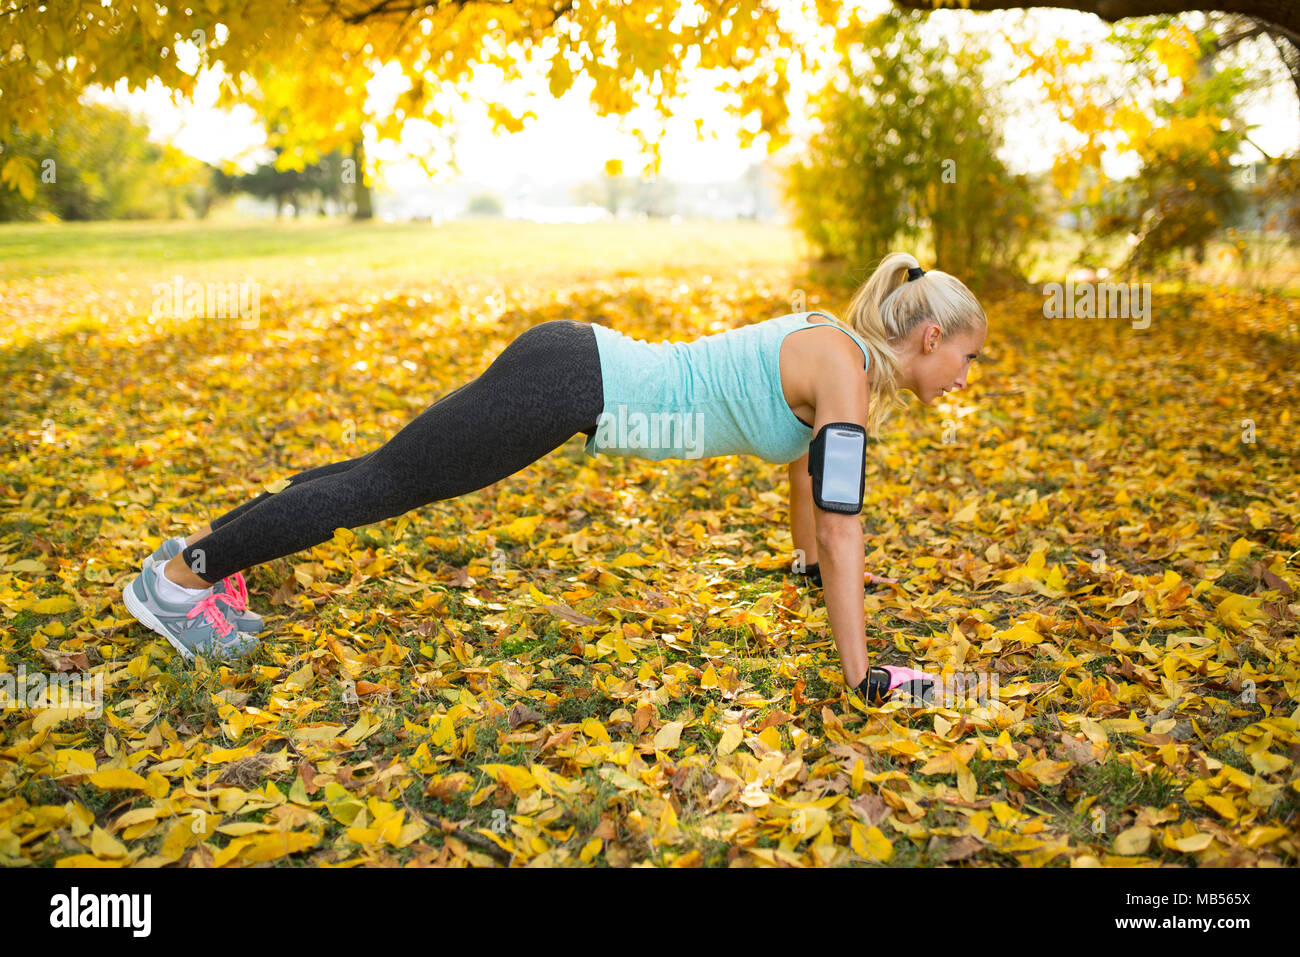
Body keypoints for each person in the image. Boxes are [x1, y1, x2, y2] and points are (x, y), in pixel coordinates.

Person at [122, 250, 987, 706]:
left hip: (576, 368)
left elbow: (808, 489)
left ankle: (205, 551)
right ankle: (176, 582)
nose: (965, 374)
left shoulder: (843, 365)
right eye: (967, 357)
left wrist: (806, 567)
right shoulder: (841, 368)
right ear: (928, 339)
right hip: (573, 385)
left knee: (380, 470)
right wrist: (862, 672)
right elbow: (845, 523)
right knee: (384, 486)